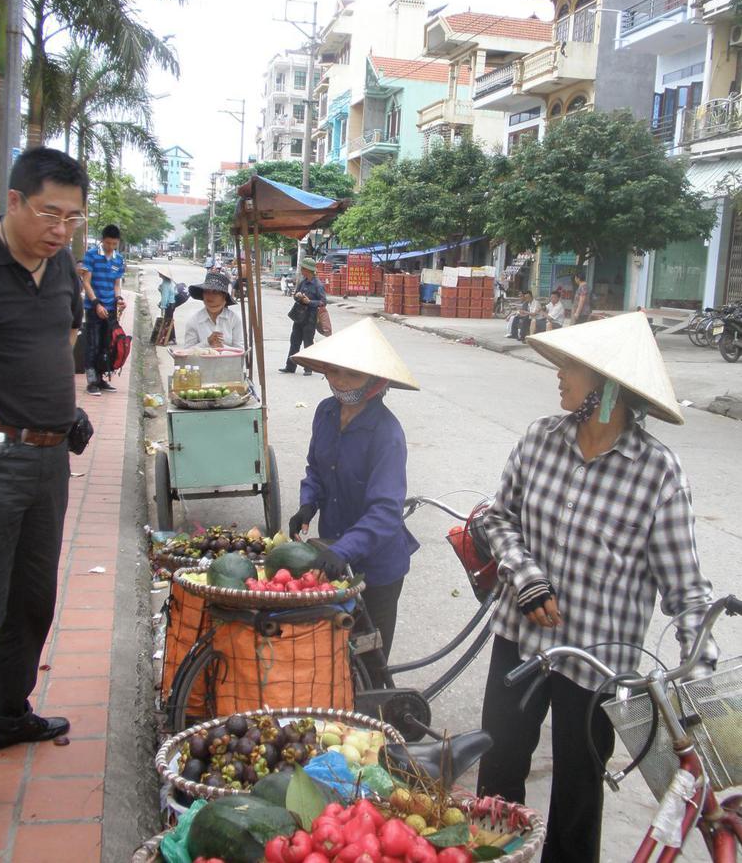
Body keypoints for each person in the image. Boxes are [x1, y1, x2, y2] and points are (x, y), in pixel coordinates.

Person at [477, 312, 717, 863]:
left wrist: (699, 685)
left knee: (578, 799)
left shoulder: (657, 472)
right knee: (497, 778)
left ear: (607, 387)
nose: (559, 374)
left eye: (573, 366)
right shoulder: (540, 438)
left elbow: (687, 591)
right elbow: (496, 519)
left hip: (597, 667)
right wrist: (527, 575)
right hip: (519, 645)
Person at [0, 147, 89, 751]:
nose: (60, 230)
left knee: (33, 596)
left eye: (73, 219)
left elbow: (67, 335)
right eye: (50, 215)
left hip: (50, 460)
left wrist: (65, 407)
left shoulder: (59, 267)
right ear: (13, 202)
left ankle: (6, 714)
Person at [286, 319, 420, 687]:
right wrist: (308, 504)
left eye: (351, 374)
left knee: (369, 659)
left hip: (377, 567)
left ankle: (376, 724)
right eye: (334, 372)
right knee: (335, 650)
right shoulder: (325, 413)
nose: (340, 381)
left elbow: (385, 512)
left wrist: (344, 550)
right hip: (335, 554)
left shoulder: (387, 433)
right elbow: (316, 469)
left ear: (375, 381)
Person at [81, 223, 126, 395]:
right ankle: (91, 382)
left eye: (114, 244)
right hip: (94, 307)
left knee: (107, 345)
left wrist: (119, 299)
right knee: (93, 344)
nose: (110, 247)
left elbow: (116, 284)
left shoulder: (119, 259)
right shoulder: (91, 255)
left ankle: (101, 379)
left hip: (110, 309)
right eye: (108, 243)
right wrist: (96, 303)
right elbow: (86, 282)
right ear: (102, 240)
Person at [279, 257, 326, 375]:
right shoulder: (303, 282)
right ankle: (290, 367)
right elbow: (295, 295)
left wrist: (309, 302)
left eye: (302, 268)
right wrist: (297, 296)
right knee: (294, 342)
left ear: (307, 270)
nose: (301, 270)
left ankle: (308, 368)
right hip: (299, 317)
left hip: (310, 318)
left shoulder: (318, 285)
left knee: (308, 343)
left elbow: (323, 302)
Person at [183, 271, 243, 349]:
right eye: (207, 291)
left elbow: (240, 350)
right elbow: (187, 353)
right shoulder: (194, 321)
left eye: (215, 292)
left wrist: (222, 347)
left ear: (224, 296)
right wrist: (207, 342)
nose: (210, 296)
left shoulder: (234, 319)